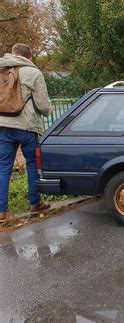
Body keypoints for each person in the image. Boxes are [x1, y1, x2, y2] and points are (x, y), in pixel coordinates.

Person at [0, 43, 52, 224]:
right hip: (27, 126)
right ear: (29, 57)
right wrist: (49, 111)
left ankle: (1, 212)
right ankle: (34, 204)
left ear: (12, 54)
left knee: (3, 167)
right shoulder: (33, 73)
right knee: (32, 164)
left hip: (3, 125)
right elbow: (43, 105)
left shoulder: (1, 69)